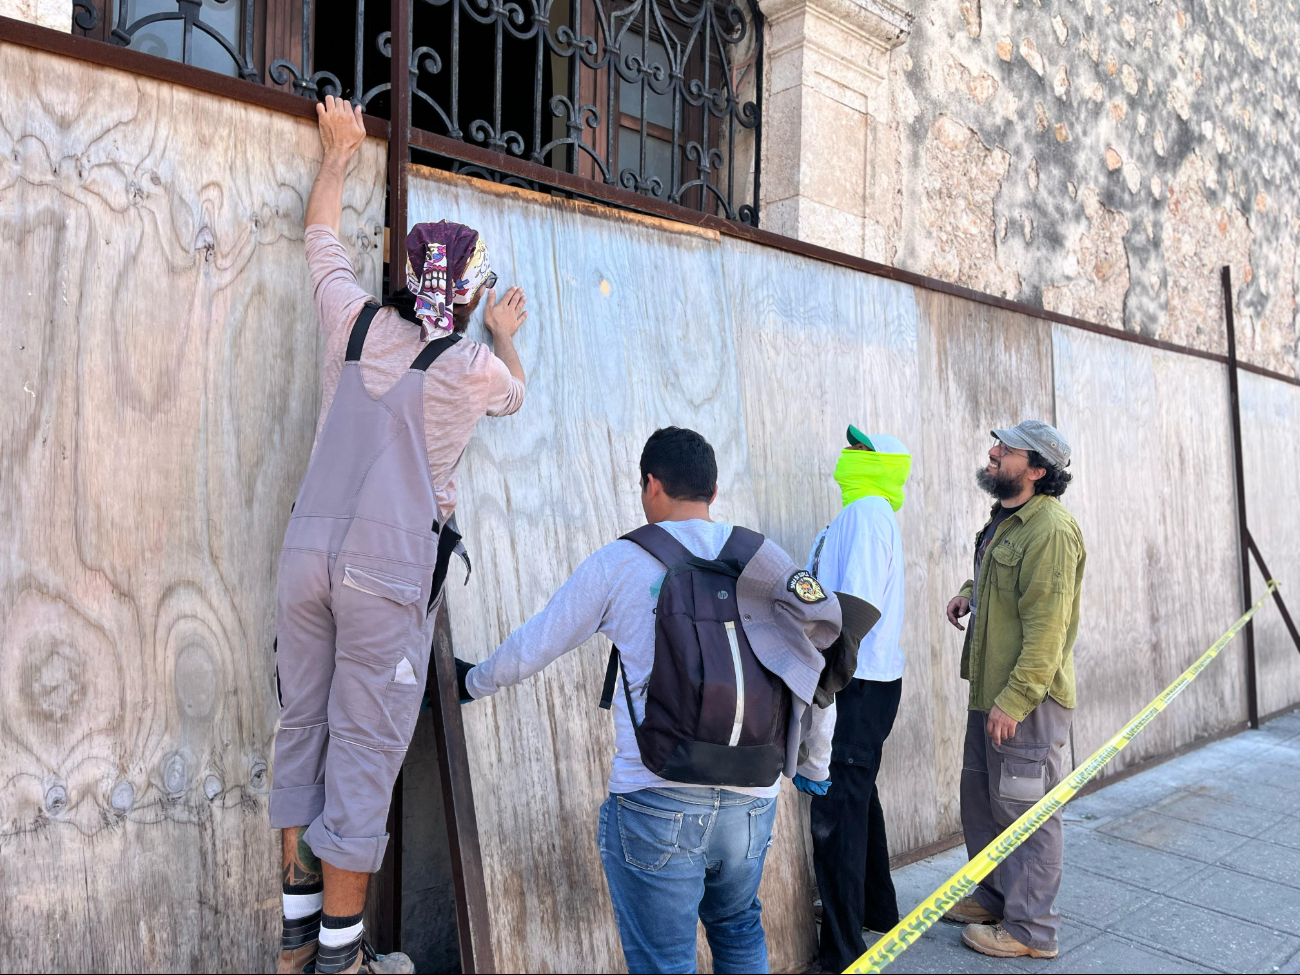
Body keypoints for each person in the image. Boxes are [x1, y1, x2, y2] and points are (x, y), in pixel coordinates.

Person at [269, 96, 531, 975]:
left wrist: (339, 157)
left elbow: (321, 242)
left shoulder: (352, 322)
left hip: (306, 552)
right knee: (367, 752)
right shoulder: (471, 367)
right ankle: (344, 962)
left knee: (301, 733)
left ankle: (295, 949)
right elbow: (518, 391)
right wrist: (500, 332)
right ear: (469, 290)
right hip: (386, 570)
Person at [458, 427, 843, 974]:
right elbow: (816, 664)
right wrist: (813, 763)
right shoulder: (765, 558)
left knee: (666, 962)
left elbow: (538, 642)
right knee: (737, 929)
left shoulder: (623, 561)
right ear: (713, 490)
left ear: (651, 485)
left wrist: (471, 683)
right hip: (752, 794)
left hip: (655, 795)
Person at [941, 421, 1085, 960]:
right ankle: (997, 896)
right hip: (991, 692)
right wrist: (968, 592)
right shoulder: (1008, 518)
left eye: (1006, 449)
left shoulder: (1050, 529)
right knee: (983, 803)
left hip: (1024, 702)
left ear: (1038, 470)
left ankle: (1032, 931)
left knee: (1027, 814)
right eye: (997, 444)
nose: (992, 452)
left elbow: (1047, 631)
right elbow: (1001, 578)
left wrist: (1016, 700)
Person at [804, 426, 911, 973]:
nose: (849, 452)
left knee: (836, 813)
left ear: (883, 464)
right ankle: (877, 908)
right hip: (865, 680)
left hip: (855, 681)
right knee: (856, 796)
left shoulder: (868, 511)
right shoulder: (855, 515)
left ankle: (841, 952)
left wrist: (827, 683)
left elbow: (858, 607)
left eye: (862, 448)